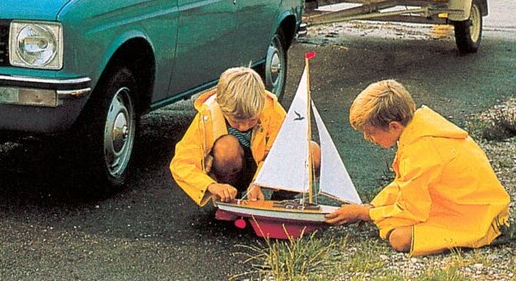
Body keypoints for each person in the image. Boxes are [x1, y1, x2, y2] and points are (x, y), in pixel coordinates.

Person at [325, 80, 510, 256]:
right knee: (393, 224)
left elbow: (411, 211)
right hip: (475, 205)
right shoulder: (418, 126)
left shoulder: (421, 150)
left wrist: (365, 213)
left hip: (478, 217)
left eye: (370, 132)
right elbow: (404, 183)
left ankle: (484, 237)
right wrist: (373, 206)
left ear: (393, 126)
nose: (367, 137)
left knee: (400, 238)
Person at [170, 66, 321, 206]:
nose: (244, 127)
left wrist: (257, 182)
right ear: (222, 108)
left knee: (313, 152)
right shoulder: (208, 116)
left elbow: (278, 152)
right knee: (225, 147)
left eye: (252, 120)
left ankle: (282, 197)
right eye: (237, 121)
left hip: (266, 168)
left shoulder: (272, 109)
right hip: (234, 170)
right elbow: (182, 163)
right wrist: (212, 186)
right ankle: (230, 197)